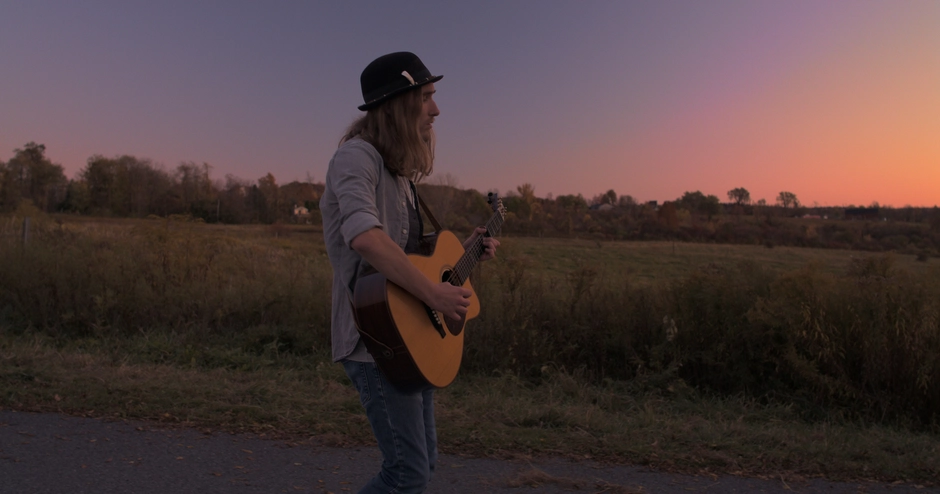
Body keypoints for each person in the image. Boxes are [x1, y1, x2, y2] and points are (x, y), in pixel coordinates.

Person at [319, 52, 499, 493]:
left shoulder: (400, 176)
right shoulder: (356, 158)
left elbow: (412, 257)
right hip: (376, 339)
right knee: (407, 474)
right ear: (397, 104)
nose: (436, 110)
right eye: (426, 97)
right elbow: (366, 237)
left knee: (423, 465)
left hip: (413, 333)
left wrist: (468, 253)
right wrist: (435, 296)